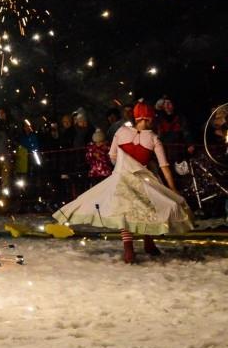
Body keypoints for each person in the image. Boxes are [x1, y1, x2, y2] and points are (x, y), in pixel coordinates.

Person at [54, 101, 192, 264]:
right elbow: (164, 166)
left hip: (122, 177)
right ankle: (146, 243)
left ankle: (130, 249)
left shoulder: (121, 132)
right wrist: (172, 189)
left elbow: (112, 155)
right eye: (152, 118)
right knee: (146, 209)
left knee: (125, 213)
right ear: (146, 119)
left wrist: (123, 164)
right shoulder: (153, 138)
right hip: (142, 179)